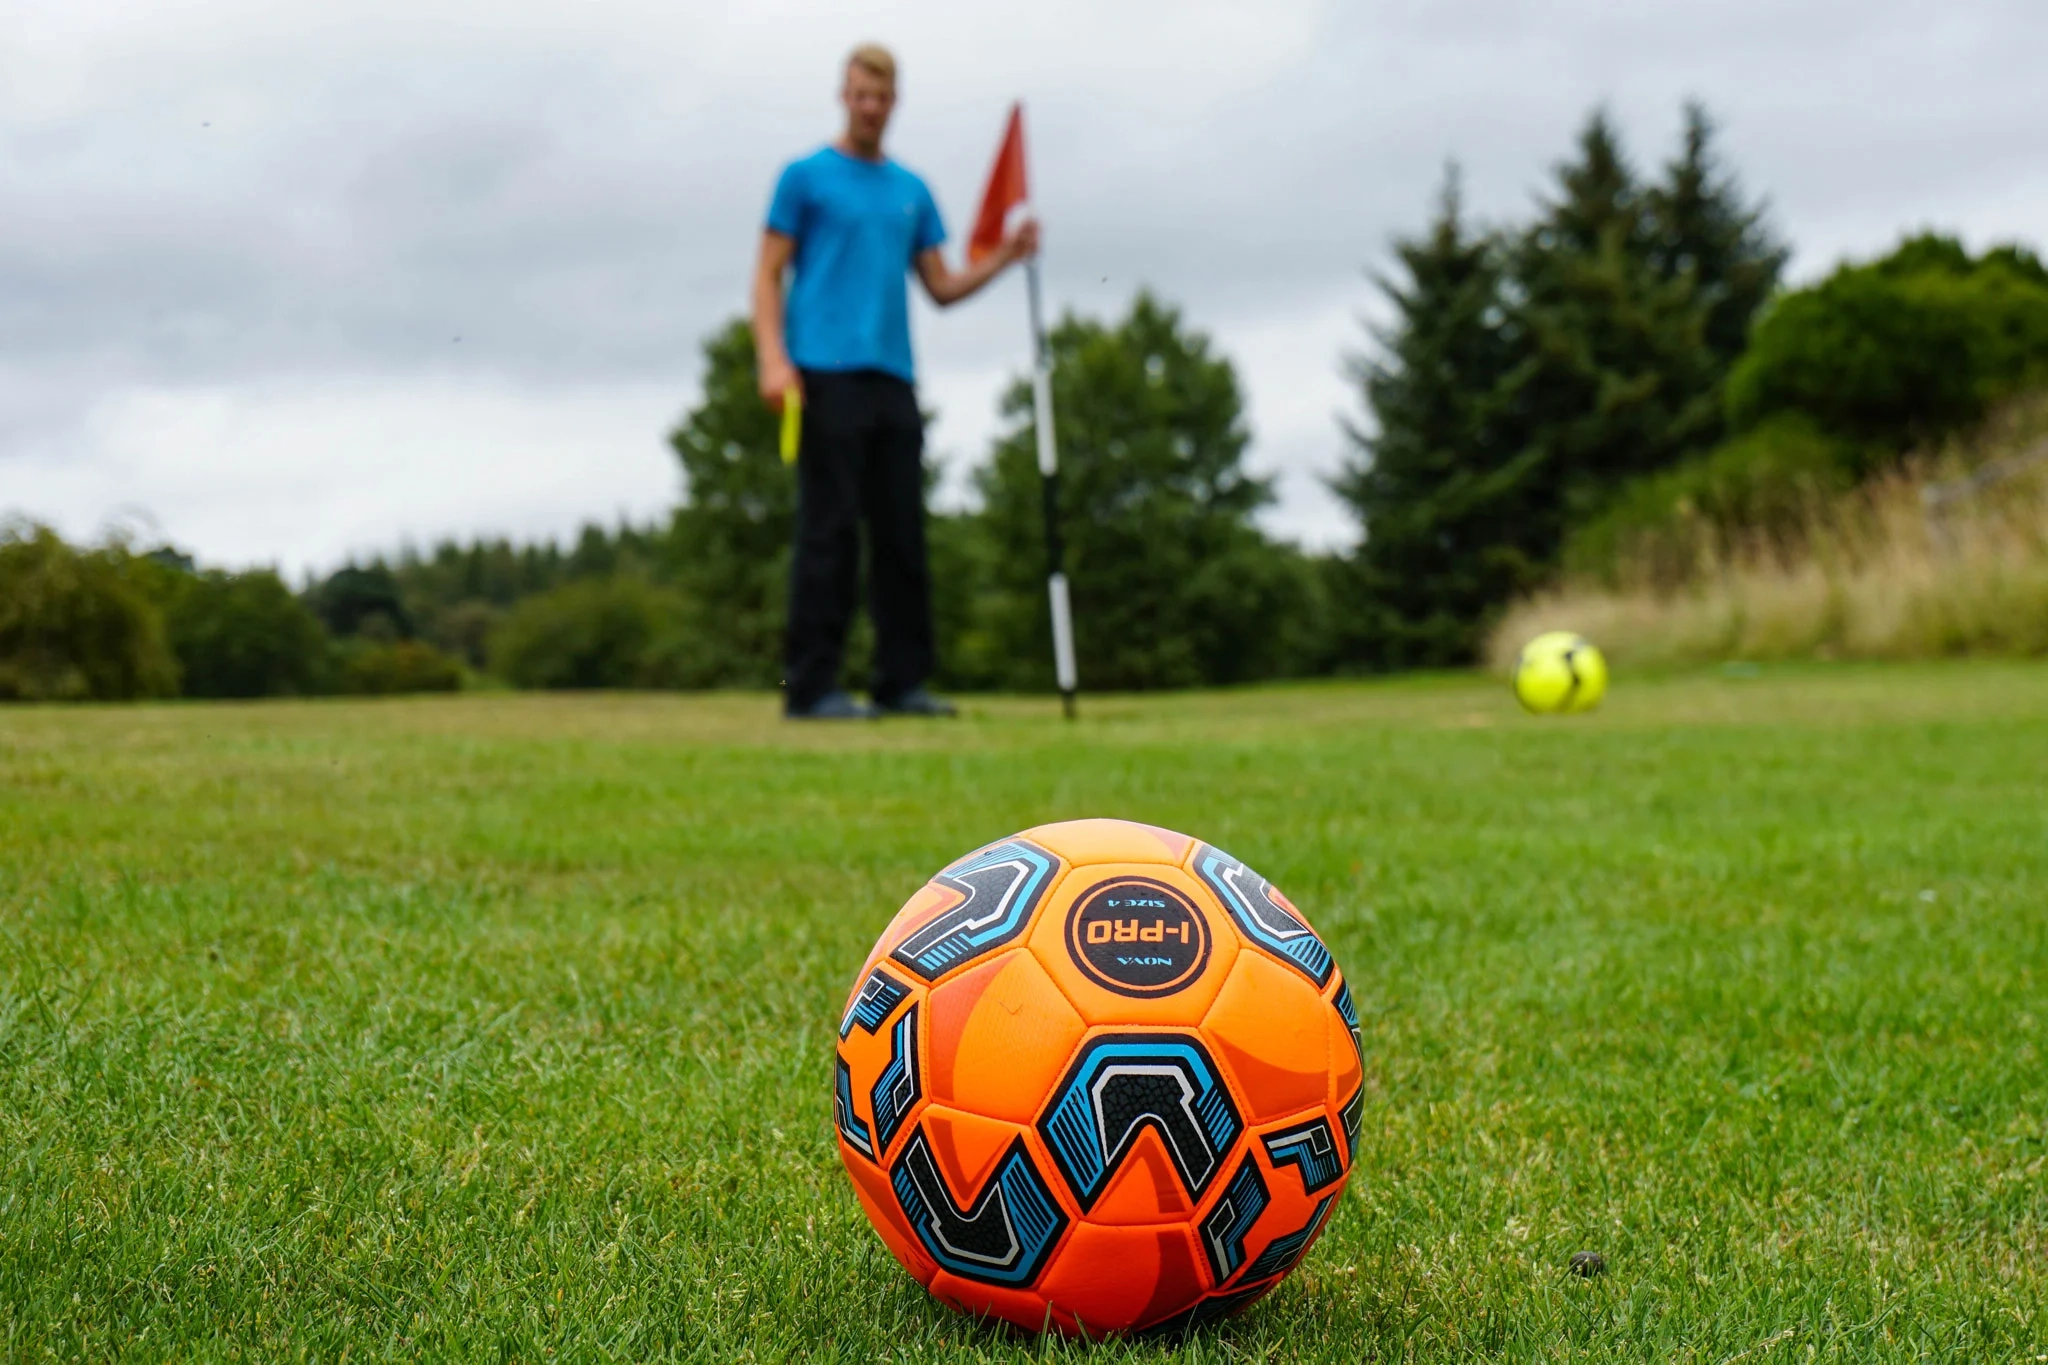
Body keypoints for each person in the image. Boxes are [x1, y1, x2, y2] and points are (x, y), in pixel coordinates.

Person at [752, 43, 1037, 719]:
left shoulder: (912, 191)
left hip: (894, 375)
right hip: (822, 370)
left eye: (881, 97)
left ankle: (900, 681)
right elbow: (767, 272)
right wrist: (772, 357)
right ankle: (814, 685)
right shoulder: (804, 177)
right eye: (859, 95)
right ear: (843, 96)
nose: (870, 107)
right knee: (830, 533)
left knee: (903, 532)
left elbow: (941, 284)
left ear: (894, 102)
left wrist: (1006, 255)